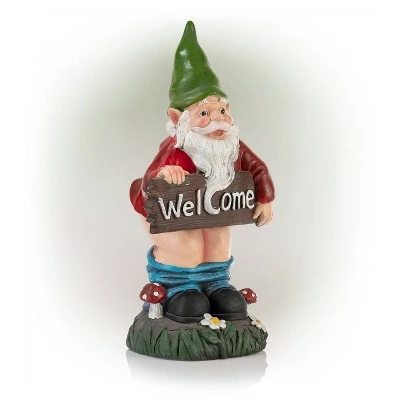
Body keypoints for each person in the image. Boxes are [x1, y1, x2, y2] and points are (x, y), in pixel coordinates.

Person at [130, 21, 275, 323]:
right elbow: (149, 184)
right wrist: (164, 174)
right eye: (204, 114)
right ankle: (179, 288)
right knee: (188, 244)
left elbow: (257, 168)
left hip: (212, 210)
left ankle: (215, 284)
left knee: (218, 238)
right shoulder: (177, 149)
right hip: (170, 216)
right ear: (178, 119)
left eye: (222, 111)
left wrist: (265, 198)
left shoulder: (231, 146)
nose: (217, 120)